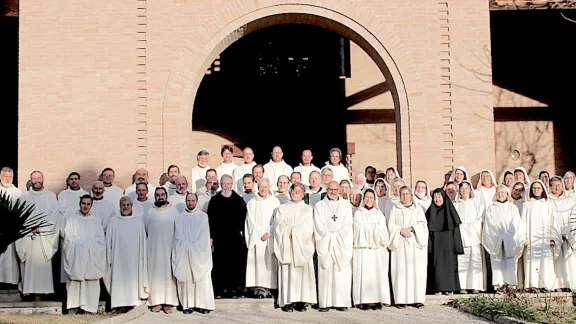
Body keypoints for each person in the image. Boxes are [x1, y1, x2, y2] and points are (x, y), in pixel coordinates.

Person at [273, 182, 317, 312]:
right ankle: (287, 301)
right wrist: (288, 230)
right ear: (290, 191)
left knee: (301, 275)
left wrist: (295, 232)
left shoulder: (308, 209)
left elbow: (309, 226)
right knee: (288, 274)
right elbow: (278, 224)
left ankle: (301, 301)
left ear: (303, 194)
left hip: (302, 246)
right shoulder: (282, 208)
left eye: (300, 191)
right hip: (287, 245)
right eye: (294, 190)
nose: (297, 193)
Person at [16, 171, 59, 300]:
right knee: (29, 266)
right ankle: (28, 293)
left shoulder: (51, 196)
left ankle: (44, 293)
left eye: (38, 178)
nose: (36, 181)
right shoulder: (24, 196)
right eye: (33, 179)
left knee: (43, 266)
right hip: (28, 237)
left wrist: (42, 228)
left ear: (43, 179)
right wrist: (30, 227)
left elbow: (55, 215)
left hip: (45, 237)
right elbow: (19, 216)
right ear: (31, 180)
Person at [104, 196, 149, 313]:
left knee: (133, 279)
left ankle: (132, 302)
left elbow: (143, 240)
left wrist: (142, 256)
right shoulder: (113, 221)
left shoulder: (138, 221)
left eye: (128, 205)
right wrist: (108, 257)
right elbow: (108, 240)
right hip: (117, 257)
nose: (125, 207)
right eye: (123, 205)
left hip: (134, 258)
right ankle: (119, 304)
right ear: (119, 207)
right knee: (118, 278)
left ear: (132, 206)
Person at [313, 181, 353, 312]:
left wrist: (337, 236)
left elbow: (348, 224)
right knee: (326, 273)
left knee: (340, 275)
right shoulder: (319, 205)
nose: (333, 192)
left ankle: (341, 302)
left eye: (336, 189)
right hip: (325, 242)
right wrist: (329, 236)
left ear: (339, 190)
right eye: (331, 189)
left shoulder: (346, 205)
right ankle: (325, 303)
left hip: (341, 242)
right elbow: (318, 224)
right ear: (327, 189)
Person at [172, 193, 215, 314]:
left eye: (193, 201)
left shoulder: (203, 216)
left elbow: (204, 235)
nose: (191, 203)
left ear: (197, 202)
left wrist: (194, 247)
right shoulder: (179, 217)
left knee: (201, 278)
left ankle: (203, 305)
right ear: (185, 202)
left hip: (199, 253)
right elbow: (178, 236)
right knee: (187, 277)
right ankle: (188, 305)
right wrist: (187, 246)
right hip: (184, 253)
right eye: (188, 201)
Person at [63, 195, 106, 314]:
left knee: (90, 282)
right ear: (79, 204)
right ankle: (73, 307)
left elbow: (100, 241)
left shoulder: (96, 221)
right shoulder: (72, 221)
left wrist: (88, 246)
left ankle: (90, 308)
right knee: (75, 283)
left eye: (88, 204)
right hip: (75, 258)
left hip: (92, 259)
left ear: (91, 206)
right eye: (83, 203)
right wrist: (81, 246)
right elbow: (68, 239)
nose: (85, 206)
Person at [207, 174, 247, 298]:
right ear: (220, 184)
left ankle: (234, 289)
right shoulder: (214, 201)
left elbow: (243, 218)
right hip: (219, 238)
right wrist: (211, 237)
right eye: (224, 184)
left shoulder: (238, 200)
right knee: (219, 264)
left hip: (234, 238)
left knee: (234, 265)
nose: (226, 186)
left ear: (232, 185)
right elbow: (210, 219)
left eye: (228, 184)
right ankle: (220, 290)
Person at [388, 186, 428, 308]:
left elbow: (423, 226)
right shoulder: (395, 209)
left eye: (407, 194)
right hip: (400, 244)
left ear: (411, 195)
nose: (405, 196)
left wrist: (411, 229)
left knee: (416, 271)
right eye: (403, 194)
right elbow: (390, 225)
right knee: (401, 271)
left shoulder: (418, 209)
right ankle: (401, 299)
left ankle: (417, 299)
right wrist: (400, 230)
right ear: (400, 196)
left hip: (415, 245)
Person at [352, 189, 391, 310]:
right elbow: (357, 228)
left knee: (376, 274)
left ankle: (377, 300)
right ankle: (363, 300)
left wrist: (370, 228)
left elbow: (382, 229)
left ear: (375, 200)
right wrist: (373, 228)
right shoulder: (358, 213)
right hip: (362, 249)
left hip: (376, 250)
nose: (369, 200)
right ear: (364, 199)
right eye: (367, 197)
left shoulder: (379, 214)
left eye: (371, 197)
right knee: (364, 274)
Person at [482, 185, 525, 291]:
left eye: (503, 192)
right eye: (499, 192)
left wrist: (508, 236)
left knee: (510, 262)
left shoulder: (512, 207)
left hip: (510, 239)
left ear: (507, 194)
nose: (501, 194)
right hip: (495, 239)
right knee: (497, 262)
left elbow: (516, 223)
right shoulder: (491, 208)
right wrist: (498, 236)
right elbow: (489, 224)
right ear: (496, 194)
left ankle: (511, 285)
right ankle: (499, 285)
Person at [521, 180, 562, 291]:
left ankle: (546, 284)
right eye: (534, 188)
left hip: (545, 238)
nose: (536, 190)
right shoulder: (527, 205)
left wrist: (553, 237)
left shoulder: (548, 204)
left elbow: (552, 222)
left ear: (543, 189)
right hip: (531, 238)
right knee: (532, 261)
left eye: (538, 188)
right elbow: (523, 222)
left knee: (545, 261)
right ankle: (533, 284)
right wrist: (523, 237)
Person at [245, 178, 280, 298]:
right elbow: (250, 220)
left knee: (269, 264)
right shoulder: (252, 202)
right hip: (257, 238)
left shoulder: (275, 201)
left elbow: (278, 219)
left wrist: (269, 232)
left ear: (269, 187)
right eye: (261, 187)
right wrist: (260, 233)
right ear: (257, 187)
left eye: (266, 186)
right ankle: (259, 288)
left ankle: (270, 288)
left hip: (269, 237)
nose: (263, 189)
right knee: (258, 264)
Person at [146, 187, 179, 313]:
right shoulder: (151, 212)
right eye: (158, 195)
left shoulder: (173, 211)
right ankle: (156, 302)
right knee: (155, 275)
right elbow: (147, 228)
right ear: (155, 197)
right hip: (154, 250)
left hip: (169, 249)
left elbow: (177, 229)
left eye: (162, 194)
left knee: (169, 275)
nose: (160, 197)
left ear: (166, 196)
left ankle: (168, 303)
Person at [426, 188, 464, 295]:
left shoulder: (450, 212)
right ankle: (437, 288)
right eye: (435, 197)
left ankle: (450, 287)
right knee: (436, 267)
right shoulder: (430, 213)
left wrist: (457, 247)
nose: (437, 200)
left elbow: (456, 231)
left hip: (449, 246)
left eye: (439, 197)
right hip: (436, 246)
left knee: (450, 266)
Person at [453, 181, 485, 294]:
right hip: (461, 236)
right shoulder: (455, 205)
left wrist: (470, 228)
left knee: (475, 261)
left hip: (474, 236)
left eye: (466, 188)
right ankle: (463, 286)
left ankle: (475, 285)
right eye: (462, 189)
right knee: (462, 261)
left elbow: (479, 219)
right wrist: (462, 229)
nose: (464, 190)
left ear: (470, 190)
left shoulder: (476, 204)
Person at [548, 176, 576, 291]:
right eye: (554, 185)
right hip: (553, 234)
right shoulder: (548, 201)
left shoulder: (569, 200)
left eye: (559, 185)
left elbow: (573, 217)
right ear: (550, 187)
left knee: (569, 260)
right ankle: (558, 285)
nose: (557, 187)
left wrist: (570, 233)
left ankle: (570, 284)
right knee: (556, 261)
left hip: (568, 233)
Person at [0, 167, 22, 286]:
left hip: (11, 229)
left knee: (11, 255)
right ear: (0, 177)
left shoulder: (17, 193)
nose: (7, 179)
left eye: (9, 177)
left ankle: (10, 280)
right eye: (5, 176)